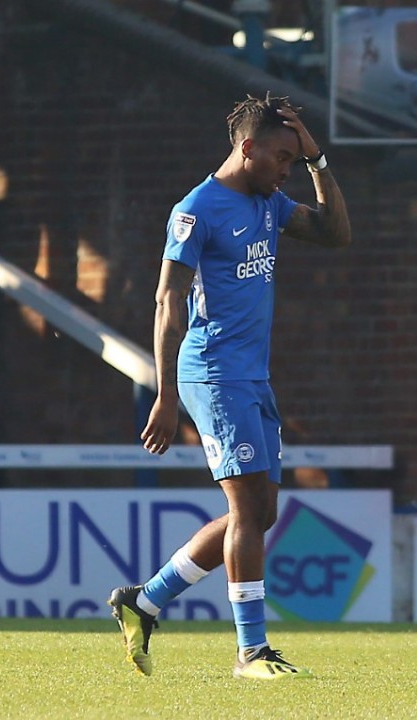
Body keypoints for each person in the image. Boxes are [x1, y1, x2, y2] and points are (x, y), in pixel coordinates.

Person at [107, 93, 351, 680]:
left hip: (252, 378)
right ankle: (251, 652)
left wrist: (318, 162)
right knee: (246, 509)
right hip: (213, 374)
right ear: (248, 148)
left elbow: (335, 233)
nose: (287, 169)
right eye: (282, 158)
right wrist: (166, 394)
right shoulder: (196, 210)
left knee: (261, 513)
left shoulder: (269, 203)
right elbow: (168, 301)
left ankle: (144, 600)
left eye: (293, 160)